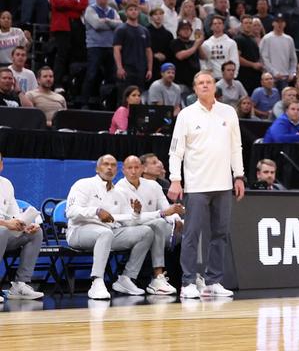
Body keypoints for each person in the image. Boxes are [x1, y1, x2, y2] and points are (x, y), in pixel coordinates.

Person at [168, 71, 245, 299]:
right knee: (192, 235)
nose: (204, 85)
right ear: (194, 88)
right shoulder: (186, 115)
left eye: (208, 82)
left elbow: (236, 147)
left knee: (220, 234)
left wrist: (238, 175)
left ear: (215, 86)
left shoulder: (228, 112)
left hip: (223, 185)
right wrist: (175, 179)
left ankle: (213, 281)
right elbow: (176, 150)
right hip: (196, 185)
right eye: (200, 82)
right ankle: (188, 282)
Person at [65, 154, 155, 299]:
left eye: (113, 165)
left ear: (117, 170)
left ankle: (126, 278)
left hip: (108, 233)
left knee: (146, 232)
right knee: (104, 233)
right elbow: (71, 212)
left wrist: (136, 213)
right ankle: (97, 281)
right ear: (97, 168)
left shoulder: (118, 193)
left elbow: (128, 221)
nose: (109, 168)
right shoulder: (83, 184)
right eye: (105, 164)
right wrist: (96, 211)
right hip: (79, 231)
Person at [114, 155, 184, 295]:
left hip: (156, 229)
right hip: (131, 230)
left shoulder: (153, 185)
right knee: (156, 224)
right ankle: (157, 276)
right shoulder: (119, 189)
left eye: (136, 167)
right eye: (129, 168)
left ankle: (195, 278)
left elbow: (167, 208)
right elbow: (132, 220)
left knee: (191, 226)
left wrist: (176, 218)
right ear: (123, 170)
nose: (133, 171)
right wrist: (163, 214)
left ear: (141, 169)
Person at [0, 151, 45, 301]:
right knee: (3, 230)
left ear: (1, 165)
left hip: (4, 233)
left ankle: (20, 284)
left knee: (35, 233)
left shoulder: (6, 184)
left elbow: (14, 215)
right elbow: (7, 223)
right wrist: (6, 224)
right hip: (2, 231)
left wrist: (24, 225)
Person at [48, 0, 88, 89]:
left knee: (76, 56)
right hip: (61, 26)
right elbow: (56, 4)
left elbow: (83, 4)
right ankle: (57, 83)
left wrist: (67, 3)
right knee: (61, 55)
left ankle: (72, 84)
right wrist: (74, 3)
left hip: (77, 25)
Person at [82, 0, 121, 107]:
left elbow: (120, 25)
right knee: (91, 74)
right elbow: (96, 24)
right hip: (95, 46)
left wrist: (107, 20)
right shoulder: (90, 9)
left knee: (111, 77)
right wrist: (111, 24)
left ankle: (107, 103)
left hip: (109, 46)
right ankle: (85, 102)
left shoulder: (112, 11)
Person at [113, 2, 152, 90]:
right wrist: (119, 67)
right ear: (126, 13)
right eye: (130, 10)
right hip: (127, 68)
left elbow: (148, 51)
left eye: (135, 9)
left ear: (139, 12)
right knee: (124, 95)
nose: (133, 12)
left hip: (141, 69)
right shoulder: (121, 29)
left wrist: (149, 69)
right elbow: (116, 49)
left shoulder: (144, 30)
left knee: (139, 95)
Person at [259, 14, 297, 90]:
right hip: (270, 78)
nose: (279, 24)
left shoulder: (289, 39)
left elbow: (293, 58)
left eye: (282, 22)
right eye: (277, 22)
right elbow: (264, 58)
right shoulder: (267, 38)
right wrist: (274, 72)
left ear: (285, 24)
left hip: (284, 77)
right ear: (273, 23)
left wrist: (292, 72)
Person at [200, 15, 238, 80]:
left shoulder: (231, 43)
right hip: (211, 78)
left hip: (226, 77)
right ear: (211, 27)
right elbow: (203, 61)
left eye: (220, 23)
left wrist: (234, 75)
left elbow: (234, 60)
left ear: (223, 26)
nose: (217, 25)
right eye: (215, 24)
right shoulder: (206, 44)